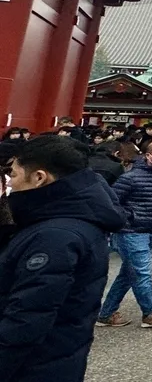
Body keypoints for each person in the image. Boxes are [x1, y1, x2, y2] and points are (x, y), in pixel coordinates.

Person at [0, 136, 125, 382]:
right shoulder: (60, 216)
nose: (10, 183)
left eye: (13, 175)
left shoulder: (55, 235)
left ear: (39, 177)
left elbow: (27, 317)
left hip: (34, 367)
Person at [96, 140, 152, 328]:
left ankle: (106, 313)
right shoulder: (129, 178)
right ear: (148, 156)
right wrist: (127, 218)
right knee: (142, 272)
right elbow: (113, 202)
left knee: (129, 273)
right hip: (130, 231)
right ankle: (151, 312)